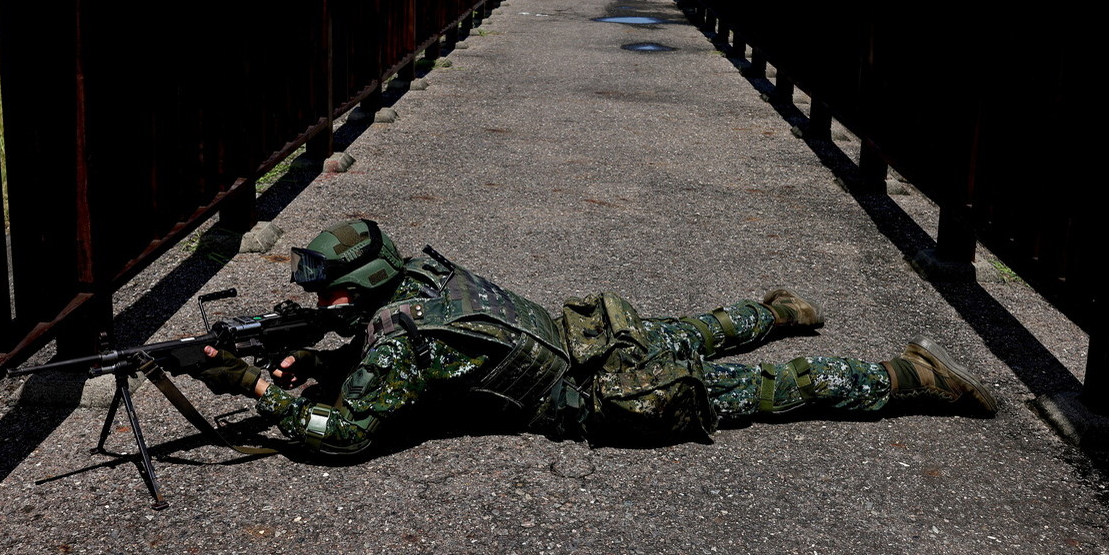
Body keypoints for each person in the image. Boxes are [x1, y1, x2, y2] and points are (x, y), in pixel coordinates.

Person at [197, 219, 996, 456]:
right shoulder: (422, 277)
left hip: (587, 393)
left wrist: (258, 387)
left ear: (363, 286)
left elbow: (349, 433)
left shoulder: (398, 339)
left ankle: (913, 378)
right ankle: (780, 311)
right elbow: (399, 351)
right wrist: (331, 355)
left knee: (756, 392)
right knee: (694, 329)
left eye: (327, 288)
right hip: (580, 335)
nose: (315, 298)